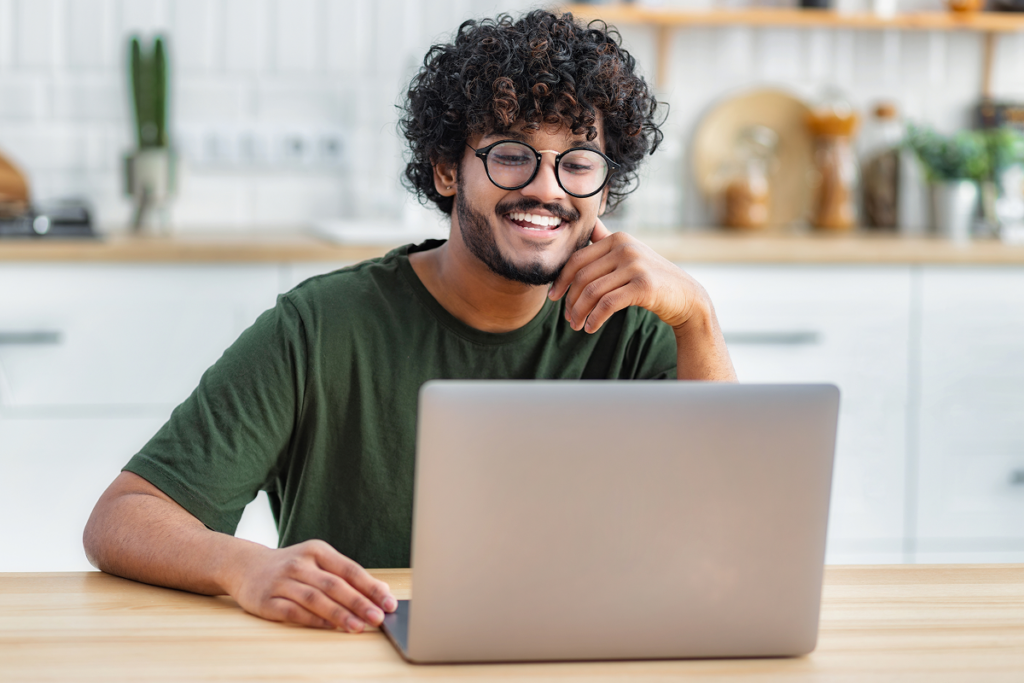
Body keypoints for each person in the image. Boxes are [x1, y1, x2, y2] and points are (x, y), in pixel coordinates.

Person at [84, 10, 736, 635]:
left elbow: (727, 538)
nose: (548, 188)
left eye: (578, 163)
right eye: (512, 154)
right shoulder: (322, 326)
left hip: (576, 650)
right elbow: (122, 518)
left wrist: (699, 318)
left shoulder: (633, 327)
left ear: (604, 189)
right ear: (447, 168)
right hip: (360, 647)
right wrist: (241, 566)